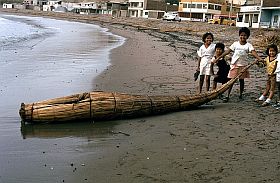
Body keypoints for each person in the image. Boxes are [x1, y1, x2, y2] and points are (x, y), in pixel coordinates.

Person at [213, 27, 263, 102]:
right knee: (231, 81)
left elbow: (253, 52)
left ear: (247, 36)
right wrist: (218, 57)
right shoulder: (235, 44)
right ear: (239, 35)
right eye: (241, 35)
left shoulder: (248, 45)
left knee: (241, 81)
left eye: (245, 35)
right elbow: (227, 52)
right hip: (234, 65)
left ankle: (240, 94)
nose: (243, 37)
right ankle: (227, 95)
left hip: (243, 66)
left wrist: (259, 58)